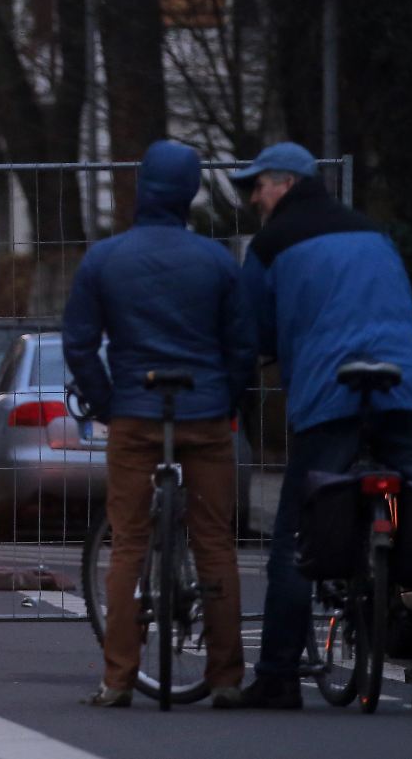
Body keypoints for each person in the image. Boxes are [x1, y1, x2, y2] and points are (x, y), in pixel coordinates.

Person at [220, 142, 412, 710]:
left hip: (331, 395)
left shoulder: (271, 245)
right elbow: (408, 312)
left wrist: (243, 380)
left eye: (257, 186)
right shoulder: (373, 234)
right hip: (406, 385)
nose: (252, 198)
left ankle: (277, 678)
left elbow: (252, 331)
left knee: (297, 538)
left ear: (286, 185)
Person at [63, 140, 256, 708]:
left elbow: (79, 342)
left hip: (135, 413)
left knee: (128, 542)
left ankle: (118, 677)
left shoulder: (105, 258)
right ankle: (225, 678)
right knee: (215, 539)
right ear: (191, 193)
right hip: (203, 413)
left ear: (142, 187)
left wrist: (107, 400)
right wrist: (228, 400)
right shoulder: (218, 261)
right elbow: (241, 345)